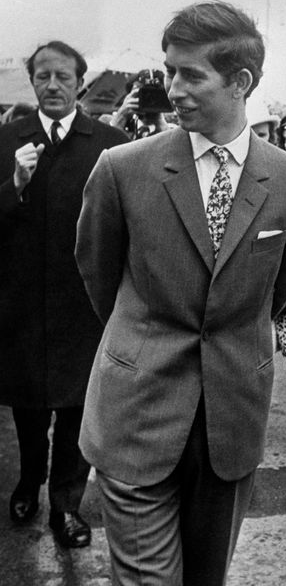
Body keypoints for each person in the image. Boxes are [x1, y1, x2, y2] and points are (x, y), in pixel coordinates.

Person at [75, 0, 286, 585]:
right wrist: (144, 339)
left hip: (231, 416)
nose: (173, 88)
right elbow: (98, 274)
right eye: (169, 70)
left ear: (241, 82)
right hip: (136, 413)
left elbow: (278, 293)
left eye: (191, 74)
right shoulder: (122, 168)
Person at [0, 40, 129, 549]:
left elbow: (124, 224)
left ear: (81, 82)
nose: (52, 86)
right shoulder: (8, 139)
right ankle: (28, 480)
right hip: (22, 305)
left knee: (79, 409)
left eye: (63, 77)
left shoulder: (108, 143)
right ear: (32, 82)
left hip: (84, 306)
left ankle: (67, 505)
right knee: (29, 408)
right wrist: (15, 182)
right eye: (43, 77)